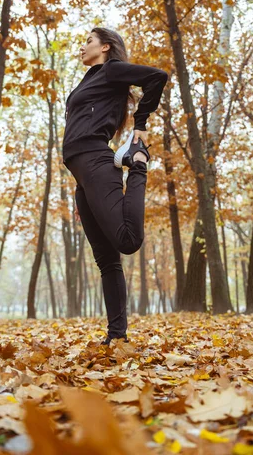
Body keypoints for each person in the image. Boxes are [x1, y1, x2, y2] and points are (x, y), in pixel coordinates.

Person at [62, 27, 168, 346]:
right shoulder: (92, 78)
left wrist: (141, 127)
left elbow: (157, 77)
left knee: (128, 240)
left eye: (88, 41)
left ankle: (137, 163)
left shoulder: (111, 70)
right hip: (84, 174)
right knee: (107, 260)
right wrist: (86, 194)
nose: (82, 46)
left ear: (105, 47)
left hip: (96, 161)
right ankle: (117, 338)